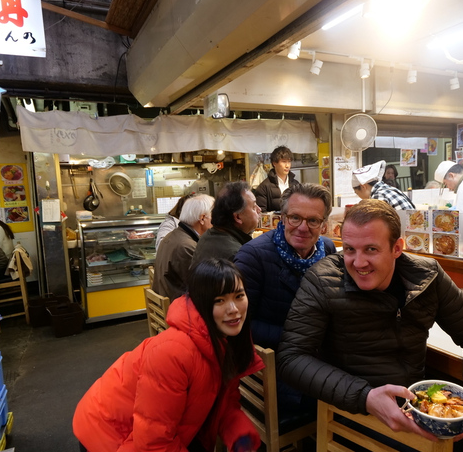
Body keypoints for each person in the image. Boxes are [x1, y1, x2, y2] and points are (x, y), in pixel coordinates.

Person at [276, 200, 463, 449]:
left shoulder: (427, 277)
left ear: (397, 248)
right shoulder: (322, 280)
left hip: (420, 410)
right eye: (350, 249)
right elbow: (292, 358)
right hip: (353, 414)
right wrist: (366, 397)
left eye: (371, 250)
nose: (358, 262)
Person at [73, 259, 263, 452]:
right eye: (219, 300)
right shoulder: (173, 352)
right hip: (109, 432)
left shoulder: (228, 339)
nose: (233, 309)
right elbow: (154, 443)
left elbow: (223, 400)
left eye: (239, 296)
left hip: (163, 430)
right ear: (201, 303)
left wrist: (240, 435)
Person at [234, 183, 336, 416]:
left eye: (313, 221)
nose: (303, 228)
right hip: (273, 371)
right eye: (295, 218)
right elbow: (240, 325)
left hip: (320, 359)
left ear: (324, 225)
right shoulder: (253, 256)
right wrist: (303, 337)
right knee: (344, 402)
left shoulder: (328, 250)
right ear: (282, 218)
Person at [153, 194, 214, 299]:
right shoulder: (186, 246)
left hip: (170, 298)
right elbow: (204, 287)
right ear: (202, 218)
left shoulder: (174, 235)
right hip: (179, 307)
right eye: (214, 216)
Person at [191, 182, 260, 267]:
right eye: (253, 207)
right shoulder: (236, 254)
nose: (259, 209)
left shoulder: (209, 235)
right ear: (238, 217)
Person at [253, 145, 300, 212]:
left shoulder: (296, 185)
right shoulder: (264, 187)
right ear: (274, 163)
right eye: (284, 161)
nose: (287, 165)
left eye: (289, 162)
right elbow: (261, 213)